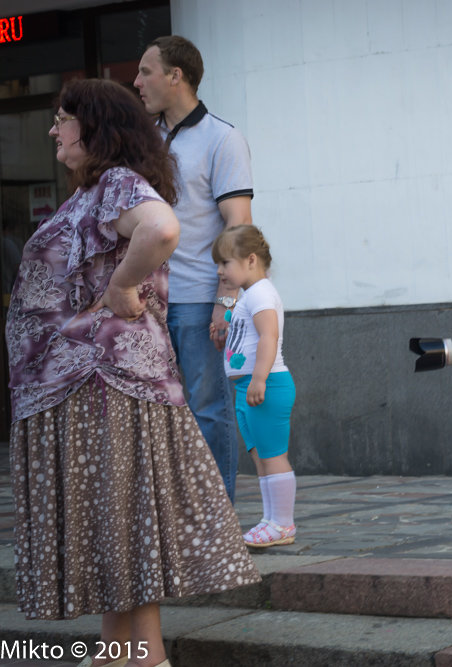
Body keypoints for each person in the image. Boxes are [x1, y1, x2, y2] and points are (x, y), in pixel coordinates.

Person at [6, 79, 259, 667]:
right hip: (84, 386)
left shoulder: (117, 183)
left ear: (94, 127)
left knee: (118, 528)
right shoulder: (94, 191)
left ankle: (139, 659)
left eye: (62, 118)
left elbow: (162, 228)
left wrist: (121, 285)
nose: (53, 130)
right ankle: (122, 657)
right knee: (115, 533)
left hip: (100, 383)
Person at [133, 35, 252, 501]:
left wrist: (226, 301)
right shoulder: (146, 140)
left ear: (175, 76)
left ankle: (215, 523)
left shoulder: (223, 138)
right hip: (148, 302)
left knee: (209, 409)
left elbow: (238, 226)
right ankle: (179, 524)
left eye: (146, 71)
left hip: (198, 300)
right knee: (160, 413)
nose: (137, 81)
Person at [212, 225, 298, 548]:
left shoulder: (261, 292)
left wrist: (260, 378)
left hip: (266, 385)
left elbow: (268, 336)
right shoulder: (249, 295)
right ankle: (270, 520)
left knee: (273, 456)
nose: (220, 271)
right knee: (261, 458)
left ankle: (282, 524)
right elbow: (247, 337)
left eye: (225, 263)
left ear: (250, 260)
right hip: (247, 387)